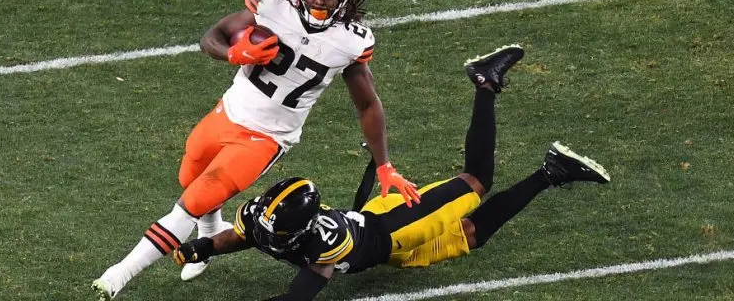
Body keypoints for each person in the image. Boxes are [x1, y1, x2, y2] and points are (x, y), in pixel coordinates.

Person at [92, 0, 420, 300]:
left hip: (267, 137)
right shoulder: (272, 3)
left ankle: (117, 276)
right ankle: (210, 237)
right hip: (230, 111)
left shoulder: (351, 40)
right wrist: (233, 53)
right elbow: (211, 37)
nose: (320, 0)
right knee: (189, 176)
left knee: (192, 201)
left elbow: (368, 103)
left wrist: (385, 164)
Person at [172, 45, 611, 300]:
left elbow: (297, 297)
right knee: (470, 235)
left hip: (396, 227)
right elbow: (245, 234)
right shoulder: (263, 216)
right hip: (389, 248)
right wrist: (203, 248)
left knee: (476, 183)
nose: (261, 225)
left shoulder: (326, 245)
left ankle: (485, 83)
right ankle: (552, 171)